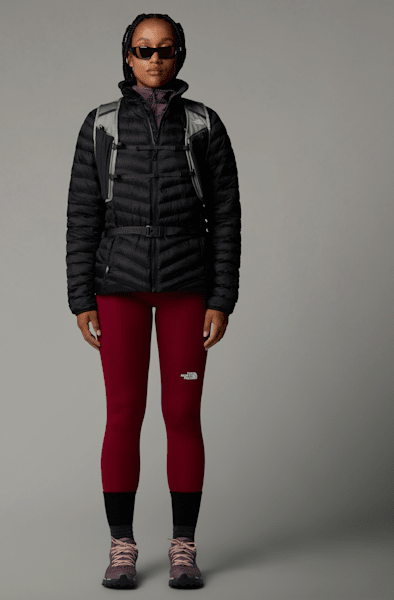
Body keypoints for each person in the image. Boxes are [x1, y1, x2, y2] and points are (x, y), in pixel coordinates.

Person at [66, 12, 241, 589]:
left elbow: (227, 217)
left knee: (182, 415)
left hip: (188, 289)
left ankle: (183, 548)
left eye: (165, 49)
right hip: (119, 290)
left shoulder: (204, 124)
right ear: (127, 56)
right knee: (123, 414)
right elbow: (82, 215)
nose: (155, 60)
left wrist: (222, 297)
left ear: (180, 55)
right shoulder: (101, 123)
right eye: (143, 50)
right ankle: (122, 547)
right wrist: (80, 298)